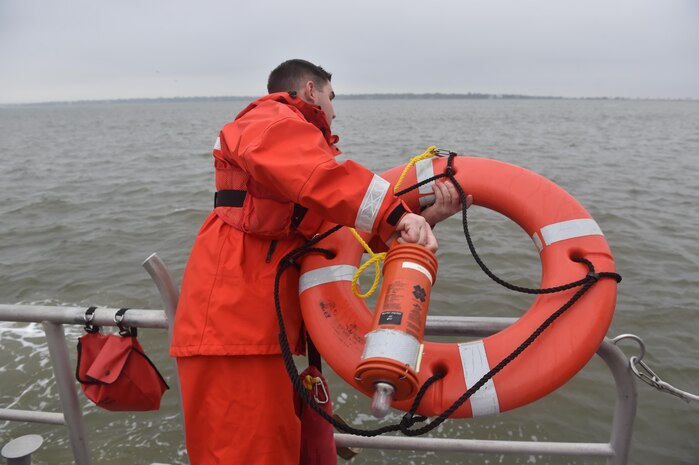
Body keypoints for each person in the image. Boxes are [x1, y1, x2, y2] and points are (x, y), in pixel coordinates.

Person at [170, 59, 463, 465]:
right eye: (331, 96)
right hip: (234, 333)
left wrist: (420, 222)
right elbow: (323, 177)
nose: (335, 110)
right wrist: (397, 213)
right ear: (311, 90)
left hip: (271, 337)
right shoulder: (268, 123)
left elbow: (340, 238)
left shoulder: (303, 166)